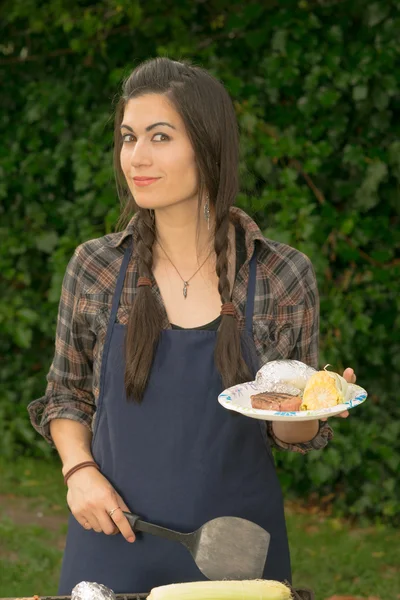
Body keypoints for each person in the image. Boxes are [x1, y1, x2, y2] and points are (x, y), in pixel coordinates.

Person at [28, 57, 356, 595]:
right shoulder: (97, 266)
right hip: (112, 538)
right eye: (128, 137)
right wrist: (77, 471)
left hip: (238, 552)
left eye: (160, 137)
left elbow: (288, 433)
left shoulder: (280, 273)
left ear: (208, 145)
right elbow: (65, 394)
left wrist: (309, 410)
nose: (137, 157)